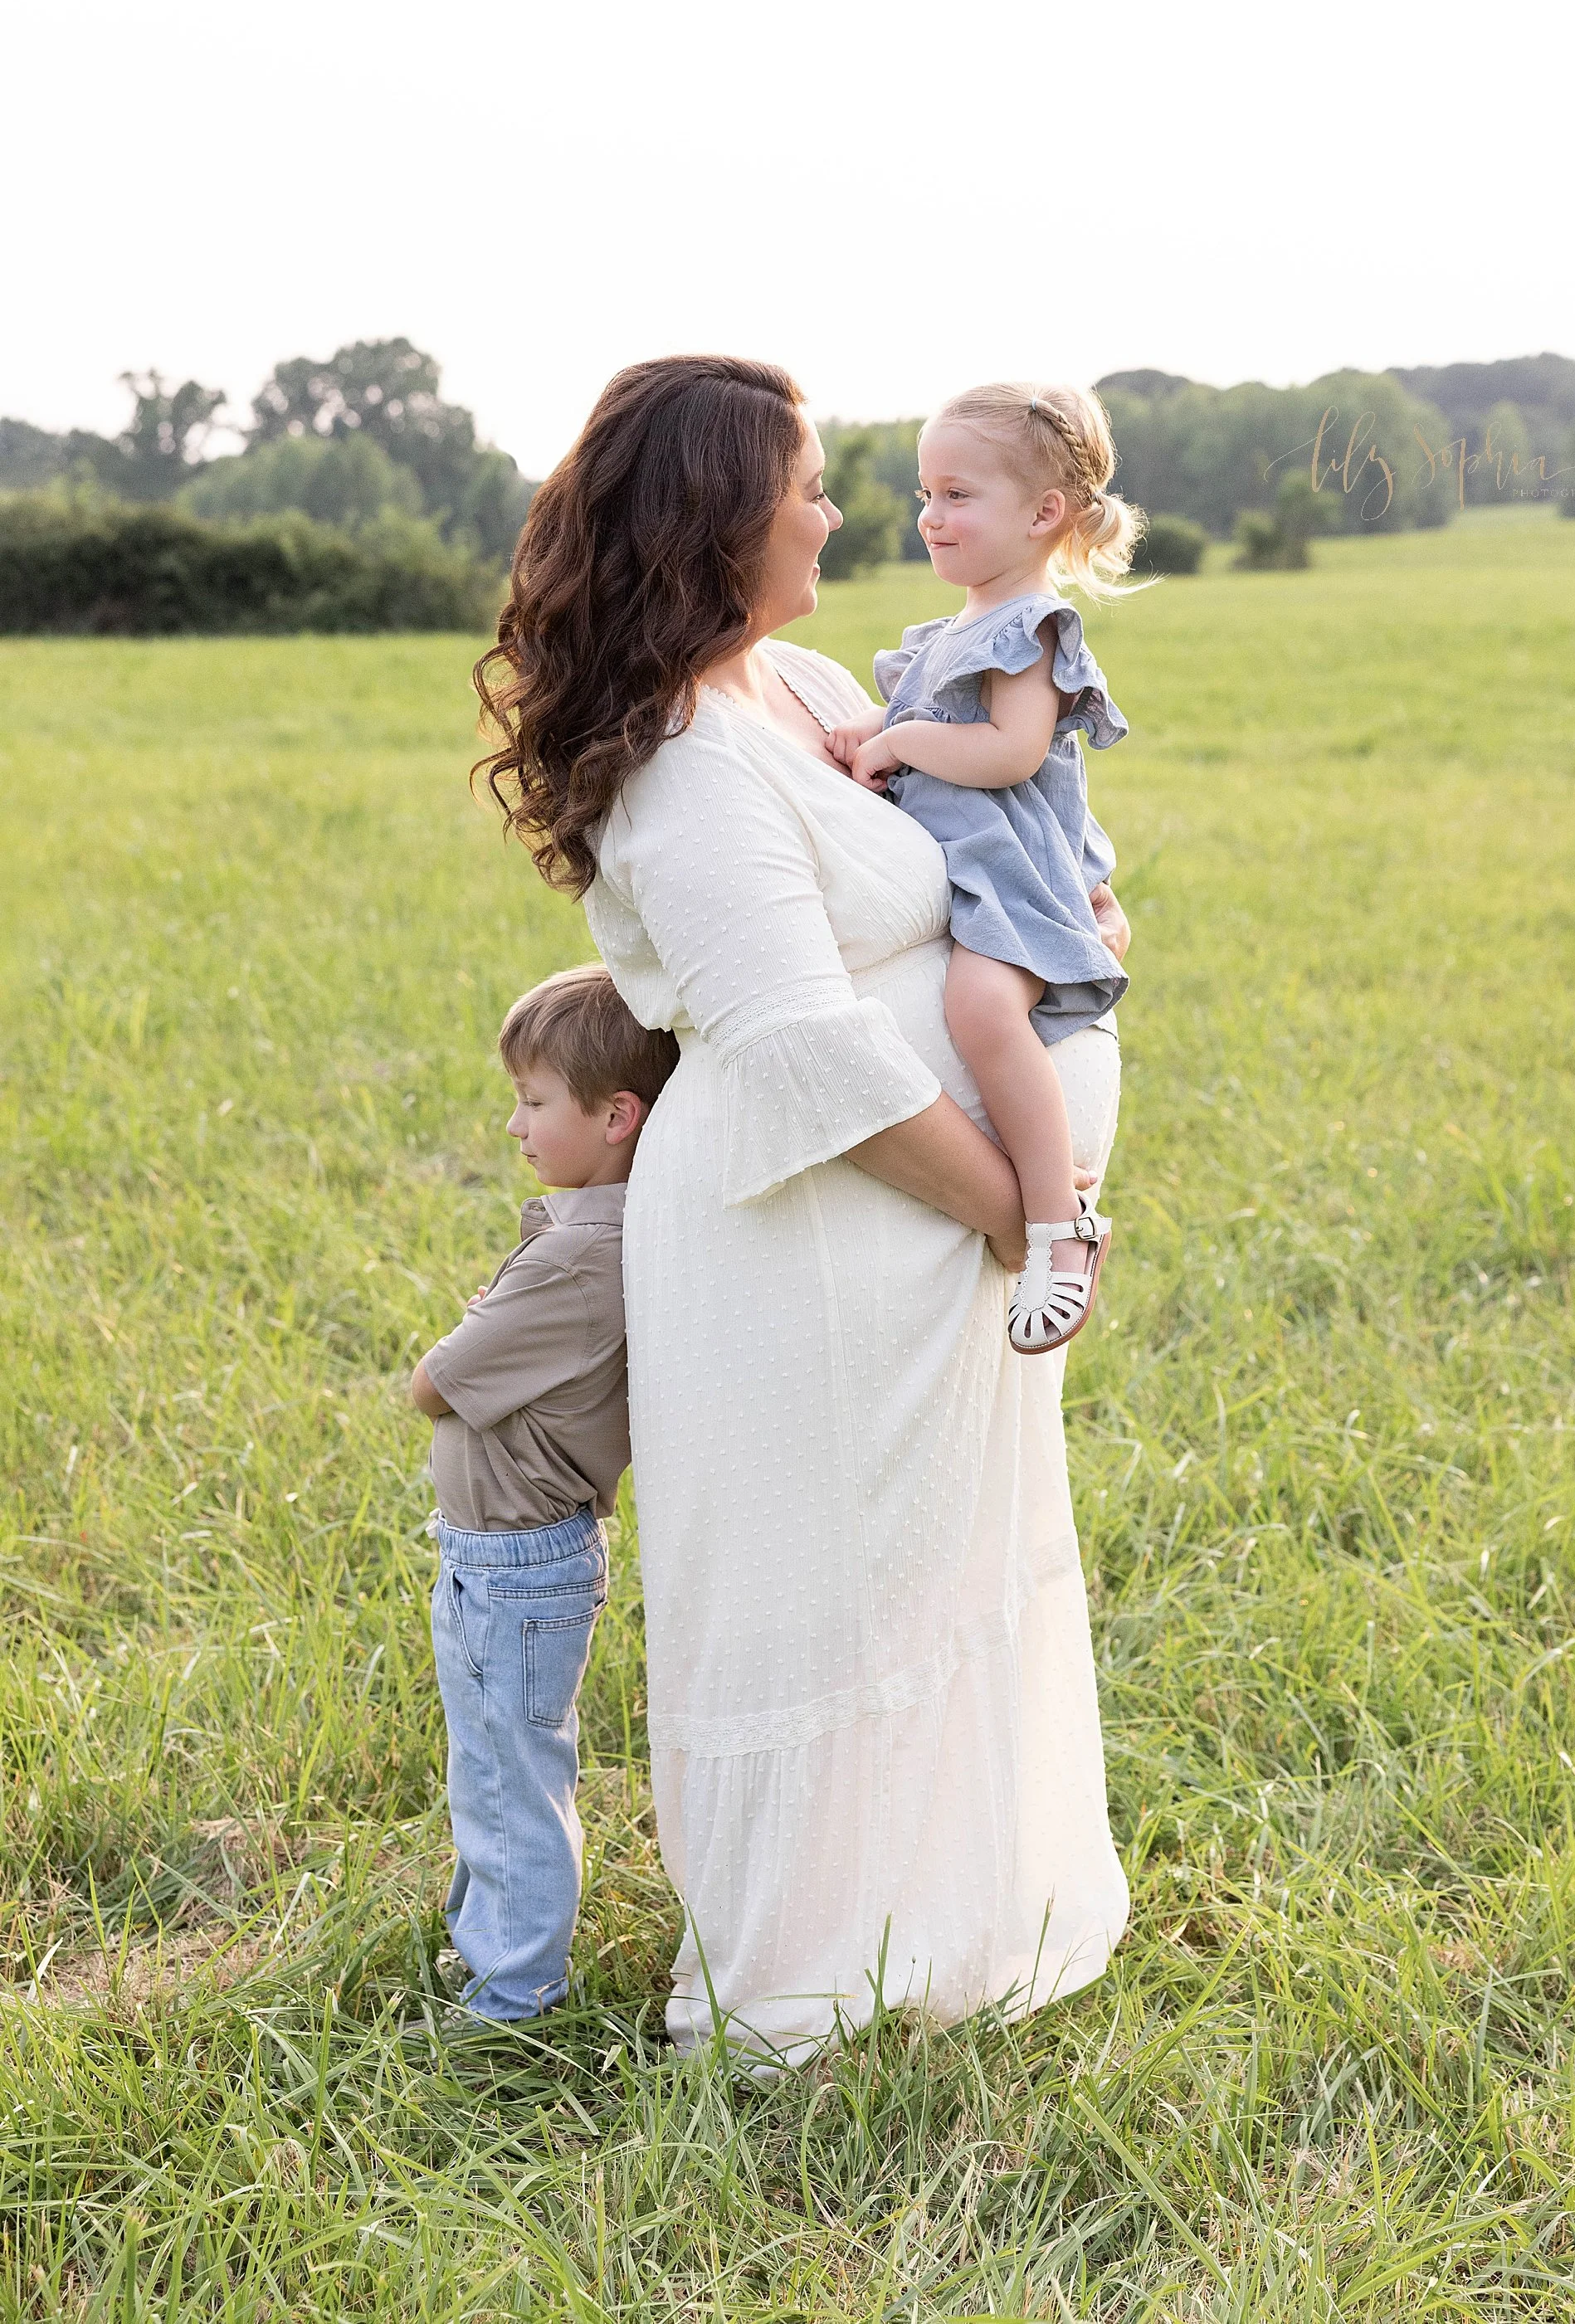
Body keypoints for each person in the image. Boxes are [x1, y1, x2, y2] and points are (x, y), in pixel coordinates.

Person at [473, 354, 1133, 2063]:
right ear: (719, 514)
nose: (840, 514)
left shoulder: (807, 682)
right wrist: (1015, 1202)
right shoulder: (686, 763)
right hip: (809, 1231)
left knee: (926, 1575)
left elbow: (966, 856)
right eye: (811, 483)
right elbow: (793, 1044)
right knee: (820, 1592)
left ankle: (935, 1929)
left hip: (913, 1234)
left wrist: (1076, 913)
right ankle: (797, 1985)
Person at [827, 382, 1143, 1355]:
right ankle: (1048, 1213)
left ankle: (1056, 1224)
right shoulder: (945, 636)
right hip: (969, 866)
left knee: (979, 1008)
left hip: (1010, 875)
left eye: (956, 495)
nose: (930, 516)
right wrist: (871, 729)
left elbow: (1006, 752)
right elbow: (928, 727)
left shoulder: (1030, 630)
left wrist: (903, 740)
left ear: (1042, 513)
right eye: (927, 493)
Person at [410, 965, 678, 2023]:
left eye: (533, 1102)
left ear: (616, 1116)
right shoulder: (606, 1234)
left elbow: (429, 1386)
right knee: (489, 1767)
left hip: (514, 1560)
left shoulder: (572, 1253)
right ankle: (484, 1950)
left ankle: (511, 1995)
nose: (513, 1124)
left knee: (509, 1781)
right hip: (511, 1553)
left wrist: (473, 1320)